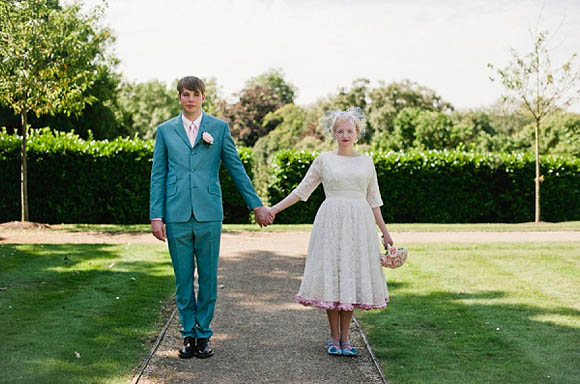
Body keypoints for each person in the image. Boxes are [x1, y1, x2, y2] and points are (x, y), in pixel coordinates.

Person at [149, 76, 273, 359]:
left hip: (208, 213)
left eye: (195, 94)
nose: (190, 99)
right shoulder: (165, 131)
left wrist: (256, 205)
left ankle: (203, 335)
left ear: (203, 97)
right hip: (176, 213)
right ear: (179, 98)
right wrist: (156, 215)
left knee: (207, 277)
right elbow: (158, 175)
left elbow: (236, 168)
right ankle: (187, 335)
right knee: (182, 279)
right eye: (185, 94)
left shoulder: (218, 128)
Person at [267, 107, 392, 356]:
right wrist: (273, 209)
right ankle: (334, 338)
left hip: (359, 223)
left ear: (357, 133)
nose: (345, 135)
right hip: (331, 222)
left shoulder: (366, 162)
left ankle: (347, 338)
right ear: (333, 133)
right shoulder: (324, 160)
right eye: (340, 131)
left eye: (349, 130)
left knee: (351, 276)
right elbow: (302, 191)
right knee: (334, 275)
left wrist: (385, 234)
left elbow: (374, 200)